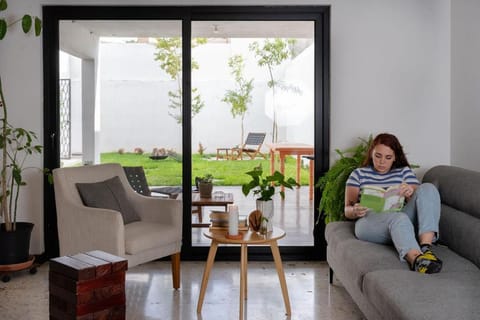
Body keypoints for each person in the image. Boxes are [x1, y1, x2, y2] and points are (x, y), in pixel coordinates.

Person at [344, 133, 442, 274]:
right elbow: (347, 209)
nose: (382, 162)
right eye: (378, 156)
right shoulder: (358, 174)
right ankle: (416, 259)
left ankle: (426, 248)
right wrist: (354, 210)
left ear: (395, 157)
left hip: (401, 220)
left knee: (428, 188)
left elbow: (422, 201)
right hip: (370, 222)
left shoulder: (404, 172)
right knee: (398, 218)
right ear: (371, 153)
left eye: (388, 157)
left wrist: (410, 192)